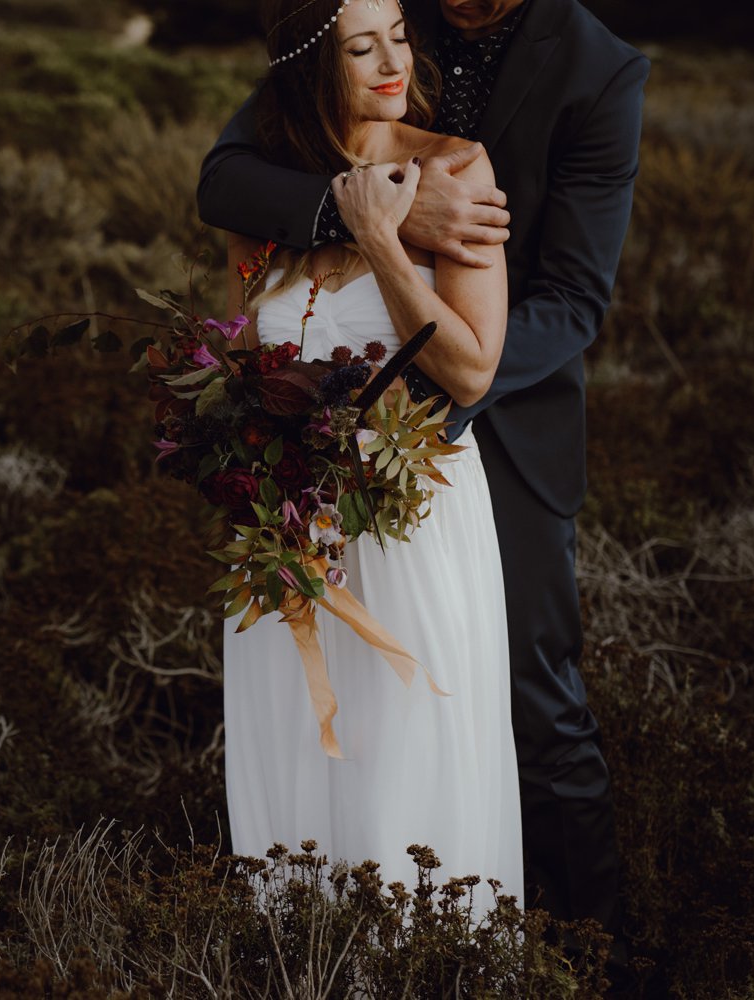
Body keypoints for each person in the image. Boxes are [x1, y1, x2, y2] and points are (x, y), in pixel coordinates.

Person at [199, 0, 649, 983]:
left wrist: (413, 384)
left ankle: (592, 961)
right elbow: (229, 172)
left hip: (491, 432)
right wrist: (365, 209)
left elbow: (572, 300)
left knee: (535, 701)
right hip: (326, 443)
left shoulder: (598, 71)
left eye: (395, 40)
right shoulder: (366, 12)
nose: (394, 52)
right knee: (324, 712)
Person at [219, 0, 522, 915]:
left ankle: (431, 957)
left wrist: (383, 239)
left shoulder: (456, 169)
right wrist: (247, 443)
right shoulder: (261, 196)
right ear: (314, 65)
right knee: (298, 753)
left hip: (412, 521)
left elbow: (472, 369)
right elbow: (244, 350)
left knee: (405, 752)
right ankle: (302, 955)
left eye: (399, 33)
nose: (394, 59)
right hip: (294, 530)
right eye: (362, 45)